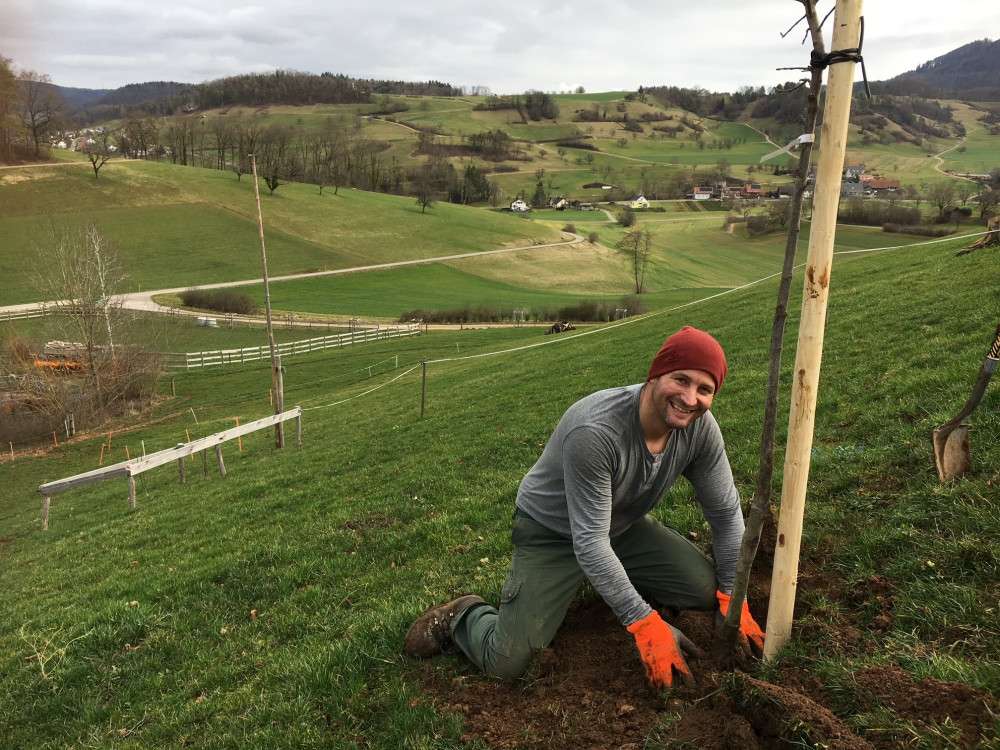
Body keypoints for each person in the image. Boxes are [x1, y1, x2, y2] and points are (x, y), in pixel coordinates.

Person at [403, 326, 765, 688]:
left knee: (707, 592)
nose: (690, 398)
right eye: (680, 380)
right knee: (508, 662)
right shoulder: (596, 430)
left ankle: (626, 571)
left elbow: (725, 513)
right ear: (654, 375)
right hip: (552, 533)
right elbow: (588, 542)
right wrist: (644, 623)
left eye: (705, 389)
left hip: (619, 526)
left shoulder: (700, 431)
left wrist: (735, 595)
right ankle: (462, 615)